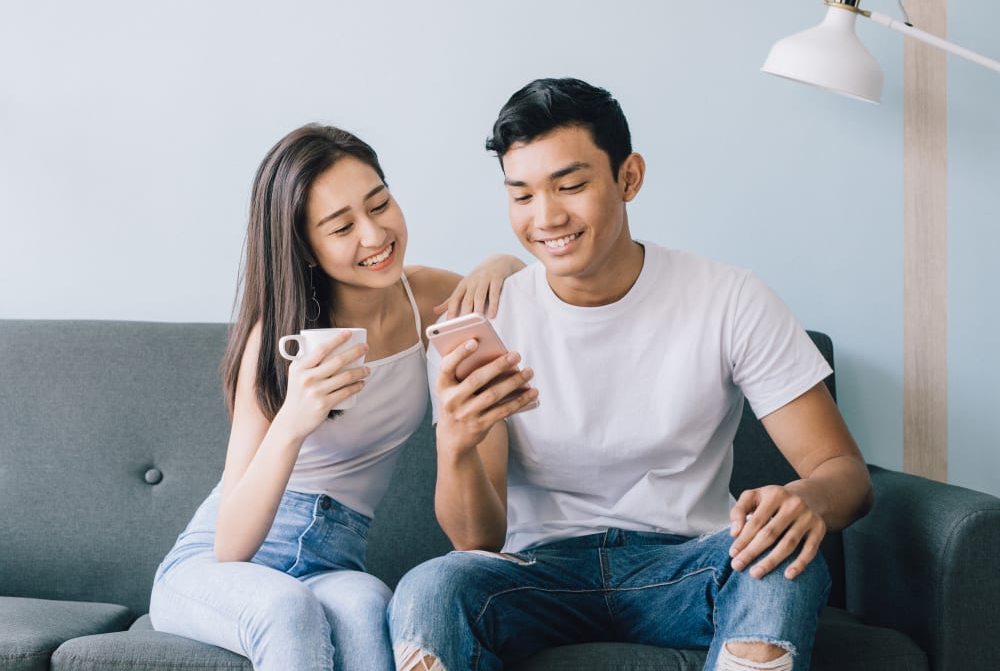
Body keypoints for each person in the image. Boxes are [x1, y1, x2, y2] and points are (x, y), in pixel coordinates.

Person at [388, 78, 874, 671]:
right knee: (430, 589)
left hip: (689, 564)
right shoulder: (488, 320)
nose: (546, 217)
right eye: (521, 196)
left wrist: (804, 501)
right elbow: (476, 543)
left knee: (781, 559)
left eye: (570, 185)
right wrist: (457, 443)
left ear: (629, 177)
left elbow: (845, 475)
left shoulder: (730, 299)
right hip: (538, 575)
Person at [149, 124, 522, 671]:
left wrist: (498, 264)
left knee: (371, 606)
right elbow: (230, 546)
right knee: (286, 609)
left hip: (335, 558)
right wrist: (294, 419)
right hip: (216, 565)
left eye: (380, 204)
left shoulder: (428, 299)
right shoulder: (275, 337)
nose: (375, 236)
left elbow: (517, 280)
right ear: (305, 245)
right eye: (342, 226)